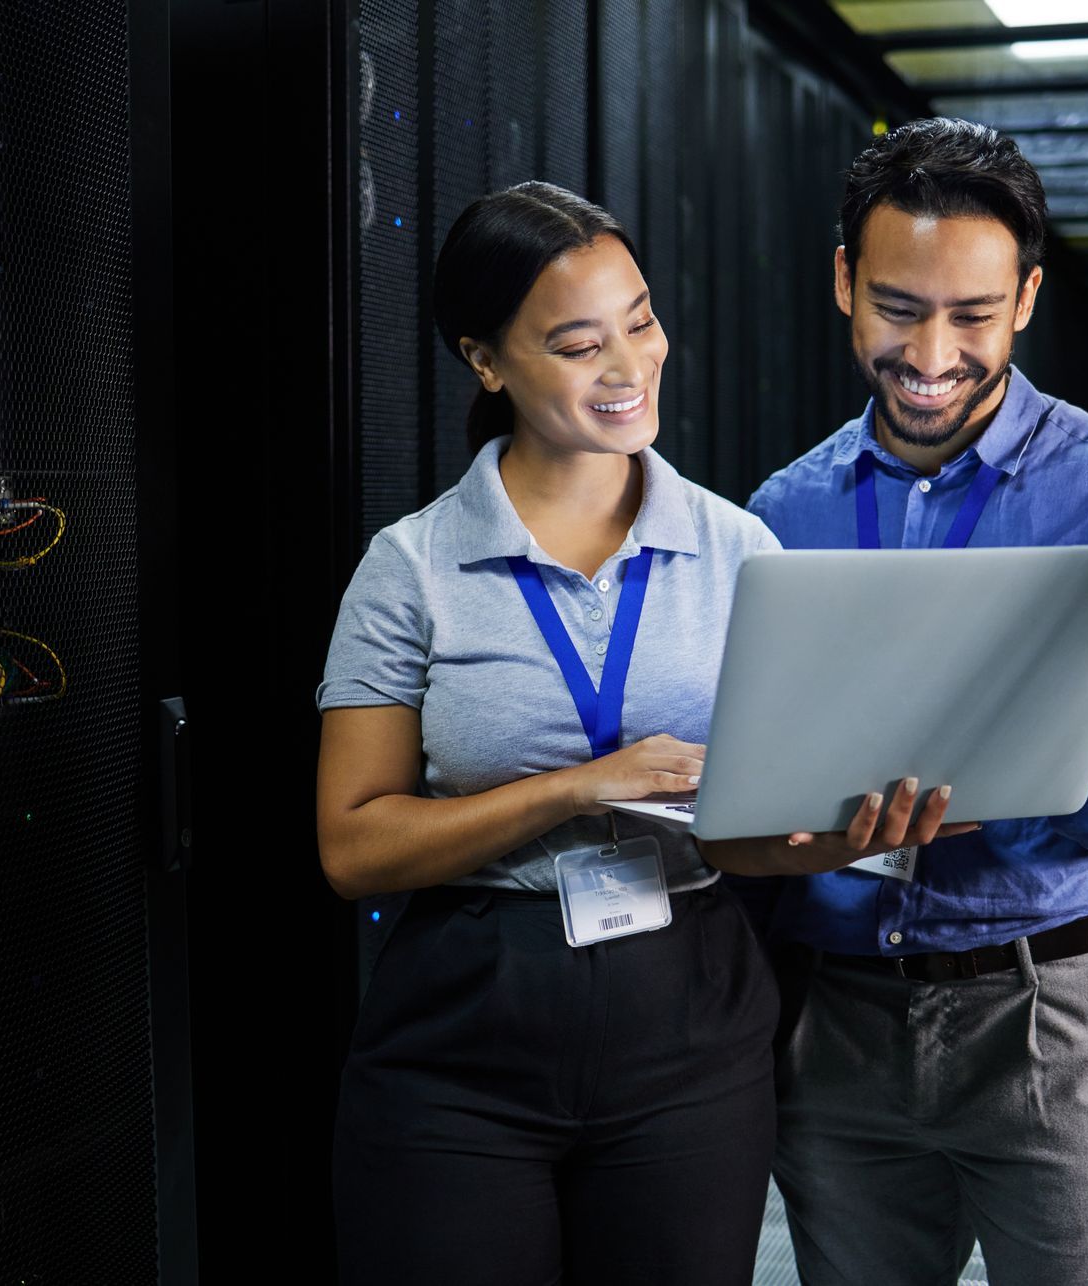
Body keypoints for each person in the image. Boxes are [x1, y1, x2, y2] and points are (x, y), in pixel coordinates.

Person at [740, 118, 1088, 1286]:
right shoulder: (780, 512)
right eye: (899, 307)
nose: (931, 352)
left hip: (1047, 1009)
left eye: (973, 315)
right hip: (839, 1018)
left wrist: (1023, 729)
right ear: (842, 283)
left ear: (1025, 298)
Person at [316, 181, 800, 1285]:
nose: (629, 366)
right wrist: (576, 787)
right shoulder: (412, 568)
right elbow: (352, 847)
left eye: (639, 319)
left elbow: (752, 837)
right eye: (580, 344)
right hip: (463, 1038)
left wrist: (850, 823)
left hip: (690, 1021)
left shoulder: (742, 552)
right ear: (486, 361)